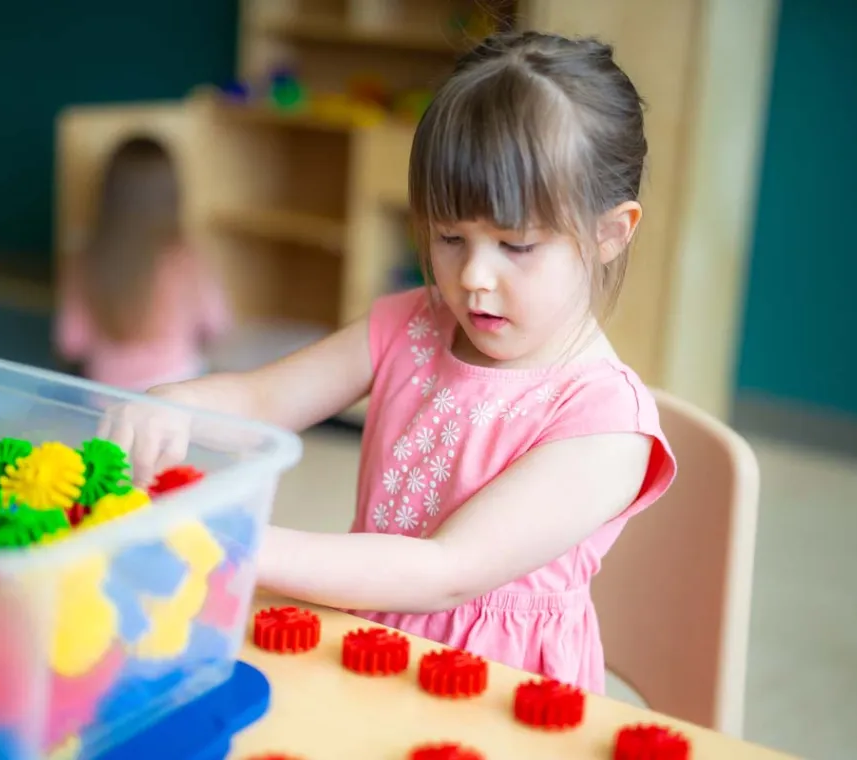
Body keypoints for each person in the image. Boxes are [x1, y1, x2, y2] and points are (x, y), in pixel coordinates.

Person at [101, 31, 677, 694]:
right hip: (361, 642)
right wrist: (171, 404)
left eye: (516, 245)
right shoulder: (413, 323)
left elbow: (445, 570)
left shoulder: (606, 426)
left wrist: (234, 541)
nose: (474, 278)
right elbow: (263, 404)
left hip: (493, 694)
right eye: (450, 237)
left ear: (609, 233)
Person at [54, 136, 230, 391]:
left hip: (107, 397)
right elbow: (217, 325)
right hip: (174, 396)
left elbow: (70, 343)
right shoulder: (186, 257)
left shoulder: (85, 257)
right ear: (173, 194)